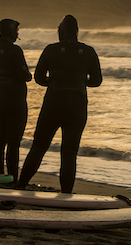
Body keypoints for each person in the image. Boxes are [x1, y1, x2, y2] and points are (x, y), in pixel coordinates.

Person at [17, 15, 102, 193]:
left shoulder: (51, 50)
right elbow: (96, 81)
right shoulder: (88, 51)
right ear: (77, 31)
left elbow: (39, 78)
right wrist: (78, 81)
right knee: (69, 152)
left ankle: (21, 184)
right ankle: (66, 193)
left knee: (39, 146)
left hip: (54, 100)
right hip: (77, 102)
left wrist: (56, 81)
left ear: (60, 31)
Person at [0, 18, 31, 182]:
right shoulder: (15, 51)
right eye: (16, 31)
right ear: (10, 32)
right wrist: (28, 75)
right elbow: (24, 75)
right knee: (13, 140)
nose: (17, 34)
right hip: (14, 95)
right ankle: (12, 177)